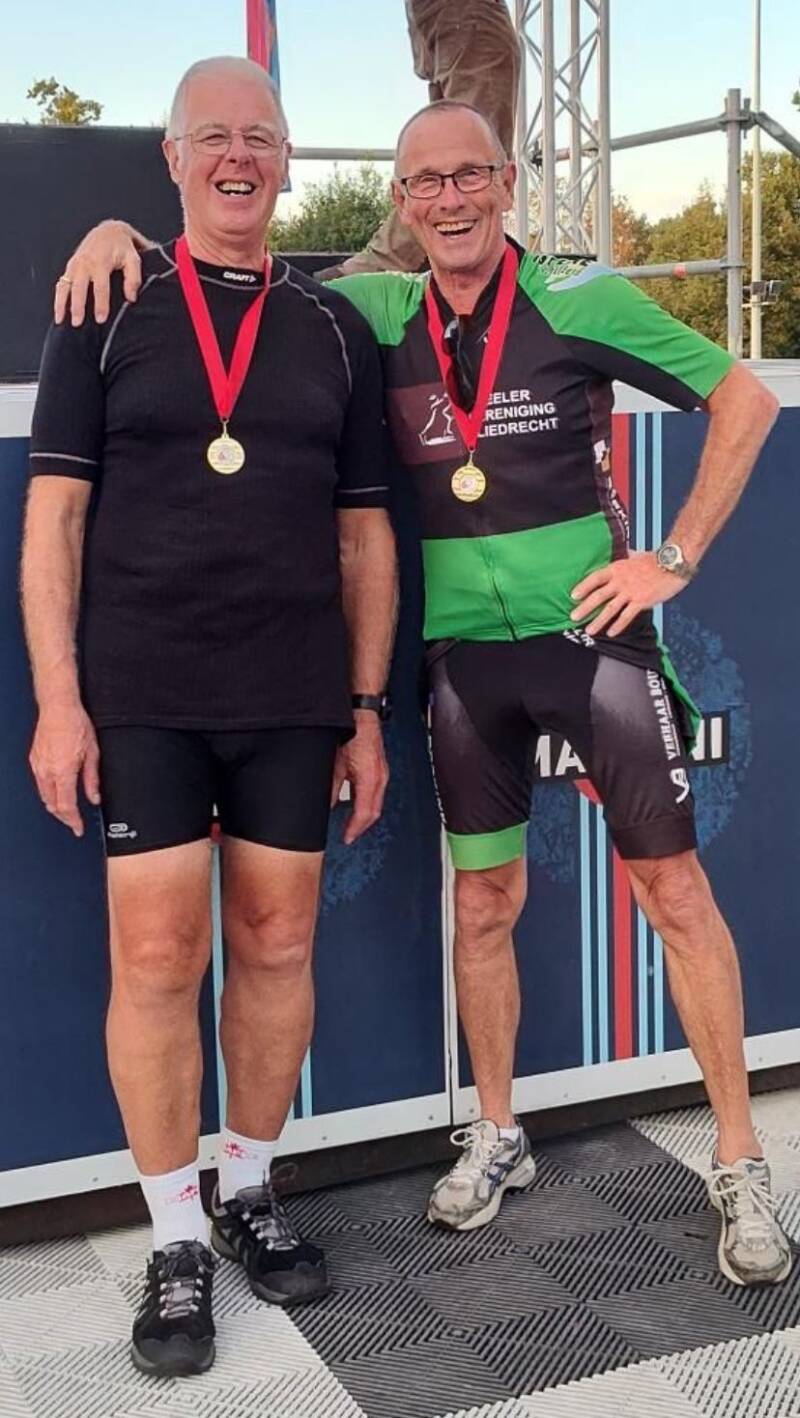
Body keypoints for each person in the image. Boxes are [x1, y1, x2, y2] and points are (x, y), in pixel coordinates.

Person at [54, 101, 791, 1290]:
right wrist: (120, 238)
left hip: (589, 641)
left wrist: (673, 556)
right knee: (482, 902)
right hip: (460, 662)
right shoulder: (374, 311)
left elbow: (742, 400)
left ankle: (741, 1157)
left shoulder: (580, 298)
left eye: (467, 176)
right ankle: (496, 1130)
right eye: (423, 183)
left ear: (503, 181)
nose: (447, 200)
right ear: (399, 203)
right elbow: (231, 270)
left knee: (671, 890)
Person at [23, 56, 396, 1379]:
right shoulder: (107, 304)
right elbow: (55, 519)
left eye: (263, 136)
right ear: (174, 158)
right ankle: (175, 1233)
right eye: (214, 136)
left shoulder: (334, 326)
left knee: (279, 944)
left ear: (289, 162)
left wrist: (364, 709)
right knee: (157, 960)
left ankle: (247, 1186)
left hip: (294, 692)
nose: (240, 155)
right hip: (145, 693)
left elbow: (365, 536)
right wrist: (59, 698)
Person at [316, 0, 520, 279]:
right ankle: (386, 264)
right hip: (464, 11)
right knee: (474, 153)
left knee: (458, 153)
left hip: (437, 13)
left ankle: (400, 264)